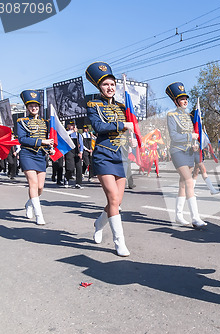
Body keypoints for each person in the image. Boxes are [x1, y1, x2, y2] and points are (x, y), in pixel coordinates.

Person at [85, 61, 133, 256]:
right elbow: (99, 127)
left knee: (117, 201)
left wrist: (133, 138)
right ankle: (119, 242)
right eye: (106, 84)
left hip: (121, 155)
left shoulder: (122, 106)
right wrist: (122, 125)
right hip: (104, 155)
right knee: (112, 198)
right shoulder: (93, 104)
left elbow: (130, 128)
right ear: (99, 87)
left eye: (112, 84)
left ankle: (98, 223)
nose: (110, 87)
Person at [166, 82, 206, 227]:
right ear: (176, 101)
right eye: (181, 99)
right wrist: (191, 137)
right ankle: (195, 218)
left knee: (183, 184)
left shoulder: (189, 116)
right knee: (189, 182)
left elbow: (192, 135)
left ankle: (178, 216)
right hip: (177, 152)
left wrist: (194, 145)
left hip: (189, 152)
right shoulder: (171, 115)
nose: (185, 101)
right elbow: (174, 136)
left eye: (186, 98)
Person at [17, 90, 54, 225]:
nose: (34, 108)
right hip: (27, 154)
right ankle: (39, 215)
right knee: (33, 183)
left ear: (39, 107)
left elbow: (48, 138)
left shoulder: (45, 122)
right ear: (27, 108)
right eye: (31, 106)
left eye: (36, 106)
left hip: (40, 155)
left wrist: (50, 148)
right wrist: (41, 142)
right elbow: (22, 139)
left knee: (40, 187)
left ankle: (29, 204)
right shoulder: (22, 121)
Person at [64, 120, 84, 189]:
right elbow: (65, 135)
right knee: (70, 168)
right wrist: (72, 131)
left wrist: (81, 152)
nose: (73, 126)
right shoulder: (67, 133)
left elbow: (81, 144)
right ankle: (66, 177)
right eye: (71, 125)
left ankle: (78, 183)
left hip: (77, 151)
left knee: (79, 168)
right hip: (69, 151)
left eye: (73, 125)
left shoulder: (78, 134)